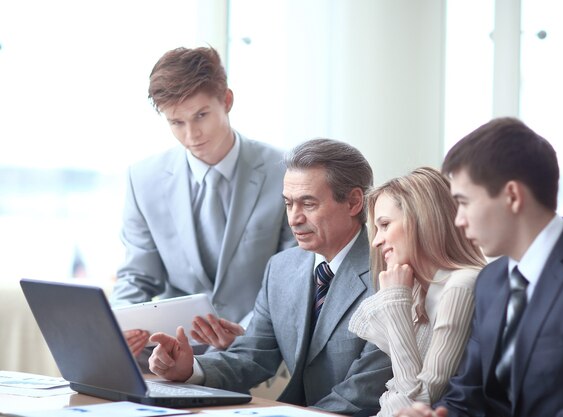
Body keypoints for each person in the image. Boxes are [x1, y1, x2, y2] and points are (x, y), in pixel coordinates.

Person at [397, 117, 563, 417]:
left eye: (464, 203)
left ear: (513, 196)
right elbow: (467, 395)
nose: (459, 220)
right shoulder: (491, 281)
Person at [148, 138, 393, 415]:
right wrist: (190, 368)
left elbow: (361, 395)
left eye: (308, 204)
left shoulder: (387, 275)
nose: (294, 219)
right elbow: (253, 356)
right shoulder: (281, 268)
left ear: (353, 202)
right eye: (289, 204)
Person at [110, 46, 295, 356]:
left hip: (257, 347)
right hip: (172, 350)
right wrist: (121, 322)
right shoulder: (143, 179)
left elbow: (293, 278)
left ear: (227, 101)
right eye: (176, 123)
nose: (191, 134)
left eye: (201, 116)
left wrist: (248, 335)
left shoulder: (285, 172)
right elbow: (138, 276)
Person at [348, 167, 485, 417]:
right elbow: (398, 394)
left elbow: (417, 400)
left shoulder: (461, 285)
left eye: (385, 225)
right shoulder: (419, 291)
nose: (376, 241)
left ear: (422, 220)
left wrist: (395, 301)